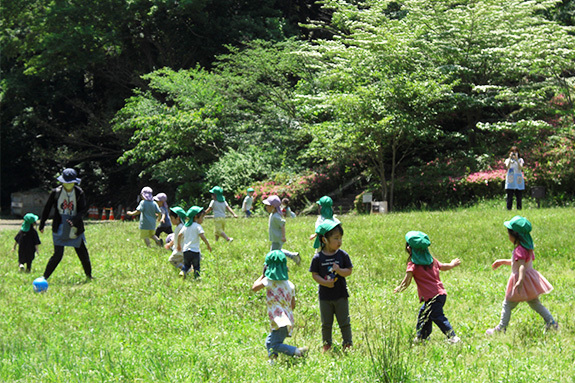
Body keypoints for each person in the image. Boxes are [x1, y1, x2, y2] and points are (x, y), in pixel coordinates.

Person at [486, 216, 558, 335]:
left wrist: (519, 281)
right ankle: (552, 323)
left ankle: (501, 328)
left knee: (507, 304)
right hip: (528, 280)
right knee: (535, 303)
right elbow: (519, 262)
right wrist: (503, 261)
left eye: (509, 233)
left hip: (522, 280)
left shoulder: (519, 250)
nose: (508, 236)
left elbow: (521, 267)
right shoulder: (527, 248)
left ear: (515, 235)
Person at [394, 231, 461, 344]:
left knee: (437, 316)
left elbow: (407, 281)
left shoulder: (413, 265)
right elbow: (444, 267)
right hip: (440, 294)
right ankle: (422, 337)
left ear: (409, 249)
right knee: (424, 314)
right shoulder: (432, 261)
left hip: (432, 297)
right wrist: (452, 264)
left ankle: (452, 337)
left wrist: (399, 288)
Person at [252, 250, 308, 364]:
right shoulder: (290, 284)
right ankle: (273, 361)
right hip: (287, 319)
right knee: (270, 341)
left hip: (279, 320)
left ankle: (297, 351)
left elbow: (254, 288)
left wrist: (262, 275)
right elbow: (293, 305)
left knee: (276, 344)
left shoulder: (269, 281)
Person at [38, 168, 93, 280]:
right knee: (58, 255)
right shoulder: (56, 193)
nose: (68, 185)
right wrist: (42, 224)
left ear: (75, 182)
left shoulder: (79, 192)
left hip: (75, 226)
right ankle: (44, 277)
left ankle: (89, 276)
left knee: (82, 252)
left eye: (71, 183)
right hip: (59, 225)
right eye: (66, 183)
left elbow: (83, 210)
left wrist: (74, 220)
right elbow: (47, 208)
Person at [309, 220, 353, 351]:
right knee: (326, 324)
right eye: (336, 238)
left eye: (340, 238)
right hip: (325, 297)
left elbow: (349, 271)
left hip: (341, 295)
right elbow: (314, 274)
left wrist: (339, 271)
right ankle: (327, 345)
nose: (339, 241)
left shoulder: (342, 255)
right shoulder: (318, 258)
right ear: (325, 240)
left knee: (344, 322)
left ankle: (348, 344)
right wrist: (324, 283)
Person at [263, 195, 300, 265]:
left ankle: (275, 267)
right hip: (275, 237)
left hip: (277, 238)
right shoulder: (273, 214)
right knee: (278, 251)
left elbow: (282, 225)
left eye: (267, 205)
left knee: (273, 254)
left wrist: (283, 236)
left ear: (273, 207)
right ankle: (293, 255)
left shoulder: (276, 216)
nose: (266, 207)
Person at [178, 206, 212, 279]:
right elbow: (202, 236)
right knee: (196, 266)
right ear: (196, 217)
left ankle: (183, 271)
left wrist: (178, 245)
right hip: (195, 251)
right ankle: (197, 278)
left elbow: (179, 235)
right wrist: (208, 245)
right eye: (202, 217)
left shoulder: (185, 226)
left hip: (186, 251)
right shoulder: (197, 226)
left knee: (187, 265)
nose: (202, 219)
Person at [504, 146, 525, 210]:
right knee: (509, 196)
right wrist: (510, 158)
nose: (514, 154)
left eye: (515, 152)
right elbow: (508, 166)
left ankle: (519, 208)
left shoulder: (520, 160)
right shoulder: (507, 160)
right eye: (513, 152)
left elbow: (520, 168)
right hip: (510, 179)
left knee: (519, 196)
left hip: (518, 179)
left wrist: (517, 159)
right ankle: (508, 209)